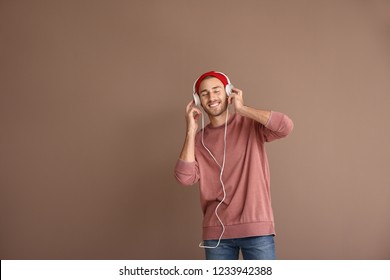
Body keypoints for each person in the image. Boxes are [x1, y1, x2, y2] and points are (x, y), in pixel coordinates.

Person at [174, 71, 294, 260]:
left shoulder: (251, 125)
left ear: (228, 93)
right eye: (204, 93)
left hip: (256, 229)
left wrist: (243, 109)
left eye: (216, 91)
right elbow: (185, 178)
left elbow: (285, 126)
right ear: (198, 100)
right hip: (216, 235)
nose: (211, 97)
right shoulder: (198, 140)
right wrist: (191, 130)